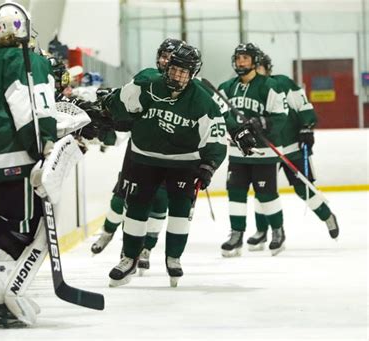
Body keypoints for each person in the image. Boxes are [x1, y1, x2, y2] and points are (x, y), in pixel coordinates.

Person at [0, 2, 61, 328]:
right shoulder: (29, 61)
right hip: (14, 160)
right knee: (21, 229)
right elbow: (31, 111)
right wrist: (44, 145)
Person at [104, 43, 228, 287]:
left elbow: (216, 135)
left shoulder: (203, 101)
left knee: (181, 211)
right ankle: (129, 259)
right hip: (144, 158)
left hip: (184, 163)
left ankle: (173, 258)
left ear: (192, 74)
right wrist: (109, 111)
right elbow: (120, 105)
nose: (177, 76)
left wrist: (209, 165)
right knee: (137, 209)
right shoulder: (146, 85)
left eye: (184, 72)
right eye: (174, 70)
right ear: (167, 67)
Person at [90, 38, 183, 274]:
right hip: (140, 153)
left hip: (171, 159)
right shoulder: (146, 78)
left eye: (171, 57)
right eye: (163, 55)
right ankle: (108, 233)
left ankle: (146, 249)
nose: (166, 60)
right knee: (122, 197)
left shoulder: (188, 87)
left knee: (160, 203)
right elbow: (125, 106)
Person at [246, 51, 339, 250]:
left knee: (303, 188)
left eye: (259, 68)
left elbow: (304, 107)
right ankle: (262, 231)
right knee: (262, 190)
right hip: (267, 149)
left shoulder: (283, 83)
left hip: (291, 147)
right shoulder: (248, 89)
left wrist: (307, 127)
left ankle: (327, 215)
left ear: (266, 68)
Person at [218, 42, 289, 257]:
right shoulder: (227, 87)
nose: (241, 62)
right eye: (238, 58)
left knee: (266, 194)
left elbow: (281, 116)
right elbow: (219, 113)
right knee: (236, 193)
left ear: (254, 61)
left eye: (245, 58)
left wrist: (262, 122)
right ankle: (236, 234)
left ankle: (277, 231)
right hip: (237, 152)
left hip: (263, 153)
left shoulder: (269, 86)